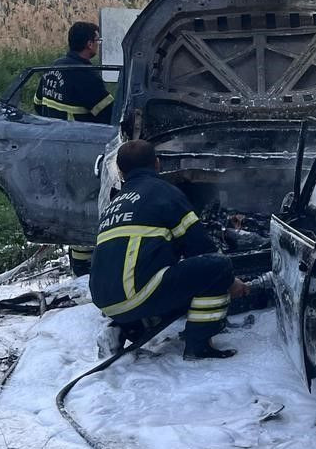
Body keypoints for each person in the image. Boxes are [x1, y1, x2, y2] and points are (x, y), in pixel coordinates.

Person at [89, 139, 246, 360]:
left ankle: (123, 328)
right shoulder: (163, 192)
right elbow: (200, 247)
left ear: (121, 173)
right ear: (157, 164)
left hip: (104, 299)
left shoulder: (114, 204)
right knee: (218, 266)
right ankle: (199, 344)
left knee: (164, 277)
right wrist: (230, 280)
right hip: (136, 293)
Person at [36, 22, 116, 276]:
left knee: (70, 203)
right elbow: (111, 116)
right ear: (89, 44)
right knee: (85, 204)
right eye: (97, 40)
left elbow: (38, 105)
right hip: (79, 151)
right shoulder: (83, 75)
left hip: (53, 148)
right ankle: (84, 267)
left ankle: (77, 259)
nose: (98, 44)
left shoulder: (53, 68)